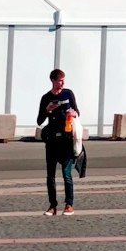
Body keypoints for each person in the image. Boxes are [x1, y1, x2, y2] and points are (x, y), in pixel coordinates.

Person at [36, 69, 80, 217]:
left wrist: (73, 113)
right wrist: (47, 110)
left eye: (63, 80)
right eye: (60, 80)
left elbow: (77, 111)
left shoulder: (68, 93)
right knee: (50, 176)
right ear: (53, 81)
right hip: (52, 141)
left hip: (66, 139)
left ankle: (69, 204)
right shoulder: (45, 98)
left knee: (66, 174)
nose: (63, 83)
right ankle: (52, 206)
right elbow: (39, 120)